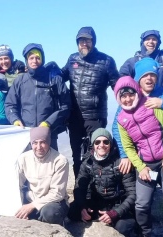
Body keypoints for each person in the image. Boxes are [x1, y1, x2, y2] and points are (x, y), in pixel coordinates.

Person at [114, 76, 163, 237]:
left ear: (136, 92)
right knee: (141, 205)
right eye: (123, 96)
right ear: (118, 98)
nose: (127, 99)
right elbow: (128, 147)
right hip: (147, 166)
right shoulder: (121, 120)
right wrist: (141, 167)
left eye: (130, 94)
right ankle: (147, 234)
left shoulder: (150, 105)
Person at [62, 26, 119, 177]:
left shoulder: (106, 61)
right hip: (74, 117)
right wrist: (47, 70)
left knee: (96, 155)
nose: (84, 43)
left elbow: (118, 86)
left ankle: (96, 193)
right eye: (81, 40)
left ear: (93, 41)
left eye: (87, 40)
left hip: (95, 117)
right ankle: (79, 192)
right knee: (76, 156)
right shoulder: (72, 59)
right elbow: (59, 78)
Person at [68, 128, 136, 237]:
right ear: (93, 145)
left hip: (116, 204)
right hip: (96, 203)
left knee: (122, 227)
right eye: (97, 142)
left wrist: (116, 213)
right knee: (72, 212)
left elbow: (133, 194)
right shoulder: (88, 163)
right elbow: (79, 188)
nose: (102, 145)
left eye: (106, 142)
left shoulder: (121, 163)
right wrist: (83, 207)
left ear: (111, 144)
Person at [5, 43, 71, 150]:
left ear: (42, 59)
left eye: (37, 57)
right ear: (27, 60)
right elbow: (10, 104)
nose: (34, 61)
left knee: (49, 166)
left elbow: (65, 105)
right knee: (27, 166)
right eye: (31, 58)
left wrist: (48, 123)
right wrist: (15, 120)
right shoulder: (20, 81)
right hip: (27, 136)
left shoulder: (54, 80)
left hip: (49, 134)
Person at [113, 57, 163, 174]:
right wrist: (125, 155)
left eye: (152, 75)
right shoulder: (130, 97)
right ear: (138, 78)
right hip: (144, 157)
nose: (149, 78)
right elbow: (117, 127)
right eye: (145, 75)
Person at [15, 127, 69, 225]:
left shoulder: (60, 161)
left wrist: (32, 206)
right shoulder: (23, 158)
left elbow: (57, 193)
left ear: (49, 142)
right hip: (31, 198)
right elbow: (16, 184)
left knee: (50, 214)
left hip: (53, 202)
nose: (39, 147)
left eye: (43, 142)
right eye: (35, 143)